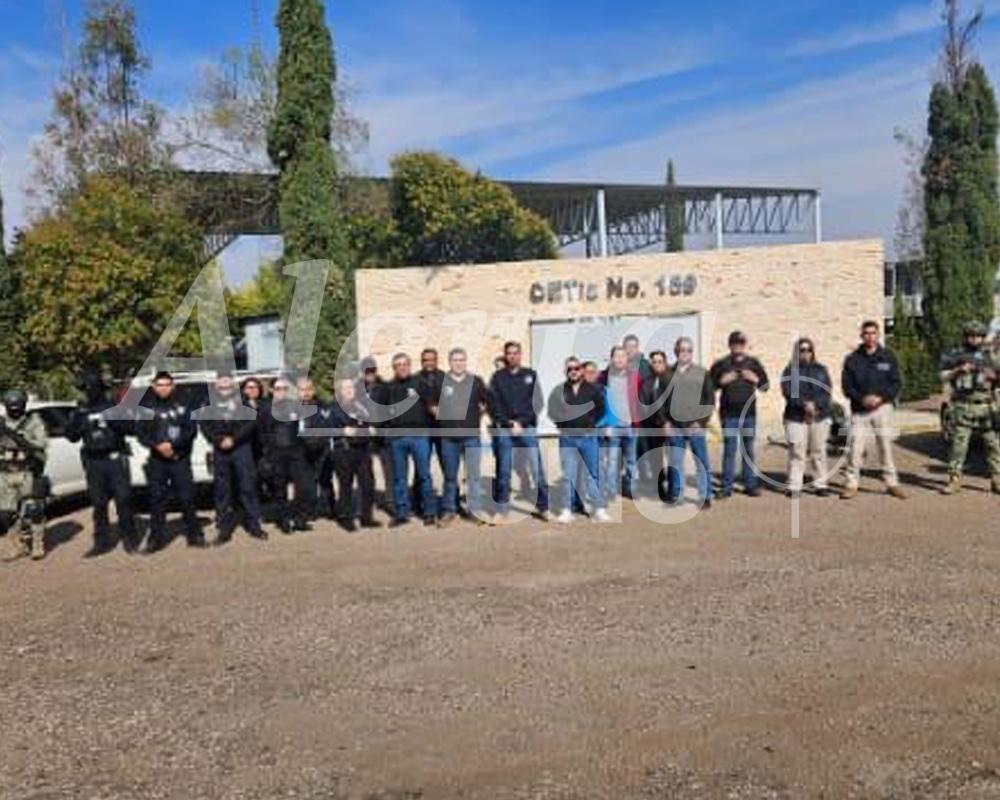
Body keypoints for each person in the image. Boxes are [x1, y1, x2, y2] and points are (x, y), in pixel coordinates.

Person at [66, 371, 137, 556]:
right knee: (98, 503)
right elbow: (71, 436)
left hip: (114, 459)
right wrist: (80, 423)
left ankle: (130, 539)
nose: (90, 391)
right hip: (93, 461)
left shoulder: (114, 408)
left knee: (123, 500)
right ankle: (101, 542)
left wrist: (113, 421)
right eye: (87, 388)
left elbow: (131, 429)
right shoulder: (81, 411)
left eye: (93, 387)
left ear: (101, 389)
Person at [137, 371, 205, 552]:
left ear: (173, 386)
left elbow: (191, 431)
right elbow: (141, 433)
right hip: (157, 460)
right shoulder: (146, 407)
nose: (163, 388)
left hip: (179, 458)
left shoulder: (184, 405)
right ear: (154, 387)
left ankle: (195, 535)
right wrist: (157, 445)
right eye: (160, 385)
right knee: (157, 499)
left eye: (167, 385)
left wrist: (173, 445)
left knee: (187, 498)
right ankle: (155, 539)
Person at [841, 320, 907, 500]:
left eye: (873, 333)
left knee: (885, 446)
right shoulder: (852, 359)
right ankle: (851, 484)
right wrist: (862, 398)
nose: (870, 336)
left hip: (882, 409)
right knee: (855, 448)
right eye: (866, 333)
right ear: (861, 336)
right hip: (859, 411)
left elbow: (896, 383)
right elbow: (847, 387)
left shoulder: (888, 356)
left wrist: (881, 398)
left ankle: (892, 483)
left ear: (878, 335)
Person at [199, 371, 265, 545]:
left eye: (228, 385)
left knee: (247, 487)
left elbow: (251, 422)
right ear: (216, 386)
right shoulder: (208, 403)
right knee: (222, 491)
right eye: (221, 385)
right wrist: (218, 440)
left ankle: (254, 526)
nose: (225, 388)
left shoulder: (244, 400)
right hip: (220, 450)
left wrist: (234, 439)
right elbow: (204, 425)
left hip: (241, 448)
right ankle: (223, 529)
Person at [489, 341, 550, 522]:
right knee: (504, 470)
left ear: (520, 355)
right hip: (505, 429)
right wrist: (508, 423)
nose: (513, 356)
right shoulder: (497, 377)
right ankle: (502, 509)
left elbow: (537, 402)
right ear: (505, 356)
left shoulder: (530, 375)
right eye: (509, 353)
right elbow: (494, 404)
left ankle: (543, 506)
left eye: (516, 353)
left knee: (536, 469)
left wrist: (521, 423)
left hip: (527, 428)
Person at [940, 320, 1000, 495]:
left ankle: (997, 480)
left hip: (986, 407)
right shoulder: (955, 355)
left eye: (978, 336)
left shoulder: (991, 356)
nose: (974, 339)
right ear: (965, 337)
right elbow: (943, 376)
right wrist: (958, 370)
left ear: (983, 337)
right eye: (971, 336)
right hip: (963, 407)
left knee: (993, 445)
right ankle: (954, 480)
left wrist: (994, 376)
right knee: (959, 447)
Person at [549, 356, 609, 524]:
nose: (573, 371)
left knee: (593, 474)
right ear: (566, 371)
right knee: (568, 475)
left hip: (588, 437)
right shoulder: (559, 391)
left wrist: (591, 424)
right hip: (567, 439)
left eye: (576, 368)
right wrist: (563, 425)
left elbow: (601, 409)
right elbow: (553, 411)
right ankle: (567, 510)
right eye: (570, 369)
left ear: (581, 370)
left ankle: (599, 509)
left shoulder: (592, 390)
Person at [710, 331, 769, 498]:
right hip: (729, 415)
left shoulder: (753, 363)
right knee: (730, 450)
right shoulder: (721, 364)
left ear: (745, 345)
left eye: (741, 343)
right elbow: (709, 387)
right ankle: (726, 487)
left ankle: (750, 485)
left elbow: (765, 387)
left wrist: (755, 379)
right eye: (735, 343)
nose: (738, 346)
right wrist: (721, 381)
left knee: (748, 450)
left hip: (748, 415)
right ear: (730, 345)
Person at [435, 347, 489, 526]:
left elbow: (486, 402)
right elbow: (432, 405)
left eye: (461, 360)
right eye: (455, 360)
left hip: (471, 436)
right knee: (450, 477)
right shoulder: (441, 382)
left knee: (473, 476)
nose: (458, 363)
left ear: (465, 362)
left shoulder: (476, 381)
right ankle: (449, 510)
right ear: (449, 362)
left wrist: (475, 417)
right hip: (448, 438)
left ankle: (475, 511)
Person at [383, 353, 437, 527]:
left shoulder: (420, 383)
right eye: (398, 365)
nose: (402, 367)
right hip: (397, 438)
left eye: (405, 364)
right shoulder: (388, 387)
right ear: (394, 368)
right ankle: (401, 513)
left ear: (410, 365)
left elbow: (433, 406)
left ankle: (429, 512)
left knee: (424, 476)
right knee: (399, 478)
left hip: (419, 436)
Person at [780, 338, 834, 498]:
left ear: (813, 351)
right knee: (797, 452)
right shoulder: (790, 371)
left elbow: (827, 391)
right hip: (796, 416)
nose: (805, 353)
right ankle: (794, 485)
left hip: (819, 416)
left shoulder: (821, 370)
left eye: (808, 350)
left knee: (818, 451)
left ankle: (820, 484)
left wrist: (815, 405)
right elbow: (789, 393)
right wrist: (804, 405)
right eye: (802, 350)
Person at [664, 338, 714, 508]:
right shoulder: (667, 375)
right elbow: (660, 402)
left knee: (701, 462)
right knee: (676, 462)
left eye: (689, 350)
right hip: (675, 426)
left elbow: (709, 399)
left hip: (695, 426)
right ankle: (676, 495)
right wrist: (665, 422)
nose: (685, 353)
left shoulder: (702, 373)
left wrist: (701, 422)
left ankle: (705, 496)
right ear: (676, 352)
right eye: (682, 350)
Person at [0, 389, 48, 561]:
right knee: (6, 514)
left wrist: (13, 435)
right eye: (11, 408)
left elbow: (40, 445)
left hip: (27, 471)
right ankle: (17, 545)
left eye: (17, 408)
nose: (14, 411)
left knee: (33, 510)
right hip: (5, 472)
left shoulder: (33, 422)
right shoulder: (1, 422)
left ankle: (37, 544)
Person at [263, 377, 314, 533]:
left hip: (295, 452)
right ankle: (283, 520)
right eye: (278, 389)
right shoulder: (265, 408)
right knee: (280, 489)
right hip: (276, 452)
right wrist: (268, 452)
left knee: (303, 486)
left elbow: (301, 425)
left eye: (284, 389)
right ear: (271, 390)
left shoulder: (294, 405)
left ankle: (300, 519)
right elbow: (262, 432)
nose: (282, 392)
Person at [330, 378, 381, 531]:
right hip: (344, 451)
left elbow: (368, 422)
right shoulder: (335, 408)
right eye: (345, 388)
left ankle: (366, 517)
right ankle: (346, 518)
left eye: (351, 387)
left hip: (363, 450)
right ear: (340, 391)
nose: (349, 390)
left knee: (368, 484)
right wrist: (342, 431)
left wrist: (370, 427)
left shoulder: (360, 405)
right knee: (346, 486)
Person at [599, 346, 641, 501]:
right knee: (612, 461)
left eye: (622, 356)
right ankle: (610, 491)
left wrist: (638, 421)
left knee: (631, 461)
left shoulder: (634, 377)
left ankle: (631, 489)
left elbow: (641, 399)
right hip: (612, 427)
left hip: (631, 425)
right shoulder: (603, 378)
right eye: (616, 356)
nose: (619, 359)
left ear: (627, 359)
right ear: (611, 359)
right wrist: (604, 425)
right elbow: (600, 403)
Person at [357, 357, 393, 515]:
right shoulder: (357, 389)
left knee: (389, 470)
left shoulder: (385, 387)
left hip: (383, 433)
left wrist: (379, 426)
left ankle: (391, 502)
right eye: (366, 371)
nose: (369, 374)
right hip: (365, 435)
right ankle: (367, 503)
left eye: (372, 371)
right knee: (365, 472)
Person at [413, 348, 446, 517]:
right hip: (423, 428)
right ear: (422, 362)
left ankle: (451, 504)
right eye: (425, 360)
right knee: (421, 468)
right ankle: (419, 504)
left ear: (436, 360)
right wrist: (428, 406)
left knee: (447, 466)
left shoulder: (446, 378)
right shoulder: (415, 379)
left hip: (442, 429)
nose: (428, 363)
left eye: (431, 359)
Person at [639, 350, 675, 501]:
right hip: (652, 426)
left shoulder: (672, 379)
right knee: (656, 459)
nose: (657, 364)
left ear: (665, 363)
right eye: (654, 362)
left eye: (660, 361)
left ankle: (673, 489)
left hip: (670, 425)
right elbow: (642, 403)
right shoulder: (647, 382)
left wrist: (668, 421)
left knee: (673, 458)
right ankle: (660, 489)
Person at [298, 377, 335, 520]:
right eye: (302, 389)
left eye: (308, 389)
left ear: (313, 391)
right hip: (301, 449)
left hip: (321, 448)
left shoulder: (322, 407)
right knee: (306, 481)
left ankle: (329, 507)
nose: (306, 393)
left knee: (325, 479)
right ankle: (309, 510)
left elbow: (327, 426)